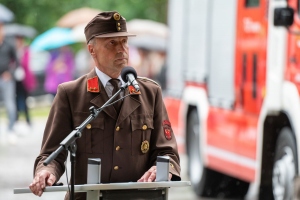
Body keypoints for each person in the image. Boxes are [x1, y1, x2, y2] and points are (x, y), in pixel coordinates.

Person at [29, 11, 181, 200]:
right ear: (92, 50)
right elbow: (51, 154)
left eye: (124, 42)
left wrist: (162, 167)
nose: (121, 49)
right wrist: (46, 172)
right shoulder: (71, 94)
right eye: (112, 43)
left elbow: (167, 151)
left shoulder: (150, 92)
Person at [0, 23, 18, 143]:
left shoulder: (9, 44)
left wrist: (10, 73)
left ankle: (11, 129)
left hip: (6, 78)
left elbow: (17, 61)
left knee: (10, 104)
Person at [14, 36, 36, 126]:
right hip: (16, 79)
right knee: (16, 99)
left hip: (24, 79)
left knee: (25, 99)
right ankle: (16, 119)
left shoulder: (25, 51)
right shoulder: (14, 50)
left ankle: (28, 120)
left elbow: (26, 63)